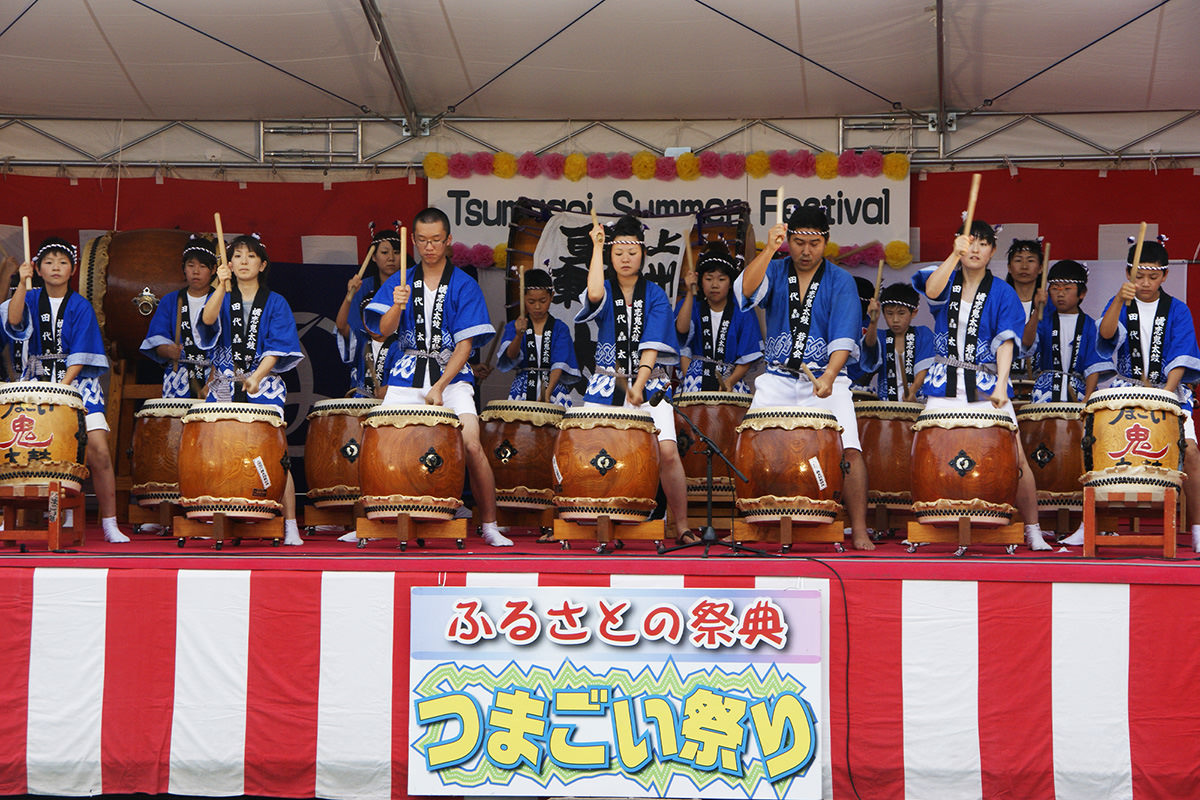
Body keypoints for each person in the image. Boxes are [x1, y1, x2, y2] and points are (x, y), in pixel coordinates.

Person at [363, 207, 512, 547]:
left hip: (452, 376)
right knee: (380, 443)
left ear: (448, 241)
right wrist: (396, 307)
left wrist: (441, 386)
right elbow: (380, 333)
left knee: (472, 442)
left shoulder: (464, 284)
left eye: (435, 240)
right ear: (413, 241)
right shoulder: (399, 280)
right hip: (406, 373)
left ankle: (489, 523)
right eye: (422, 241)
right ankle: (373, 518)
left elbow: (466, 344)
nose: (429, 247)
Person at [735, 205, 874, 551]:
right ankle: (750, 521)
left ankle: (858, 527)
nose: (805, 251)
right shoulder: (776, 269)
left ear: (825, 242)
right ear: (789, 241)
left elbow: (844, 335)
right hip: (778, 378)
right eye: (797, 243)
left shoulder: (840, 280)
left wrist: (829, 375)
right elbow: (747, 291)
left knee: (850, 450)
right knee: (751, 444)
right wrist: (767, 250)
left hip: (826, 379)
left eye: (813, 244)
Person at [912, 220, 1051, 551]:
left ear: (991, 251)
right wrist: (952, 255)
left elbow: (1006, 342)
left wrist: (1002, 385)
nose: (975, 249)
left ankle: (1032, 528)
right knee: (927, 450)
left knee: (1014, 456)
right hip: (944, 381)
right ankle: (926, 522)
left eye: (982, 244)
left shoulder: (1003, 292)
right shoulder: (947, 278)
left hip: (985, 382)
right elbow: (931, 291)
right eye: (969, 242)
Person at [578, 214, 694, 545]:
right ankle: (605, 521)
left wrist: (640, 386)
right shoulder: (607, 287)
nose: (625, 259)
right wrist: (597, 248)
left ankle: (681, 524)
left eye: (631, 252)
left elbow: (653, 345)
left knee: (668, 452)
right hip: (607, 384)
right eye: (617, 253)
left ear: (642, 253)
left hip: (651, 384)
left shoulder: (655, 294)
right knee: (601, 451)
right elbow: (595, 293)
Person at [5, 237, 125, 542]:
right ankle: (19, 515)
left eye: (62, 262)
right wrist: (21, 283)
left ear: (72, 269)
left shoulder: (80, 305)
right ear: (39, 269)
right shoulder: (30, 298)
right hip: (36, 383)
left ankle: (110, 522)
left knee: (98, 449)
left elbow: (82, 354)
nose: (55, 268)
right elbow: (14, 320)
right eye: (49, 262)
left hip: (77, 385)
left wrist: (63, 390)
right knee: (24, 451)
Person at [1095, 237, 1200, 550]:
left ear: (1165, 276)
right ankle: (1095, 523)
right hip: (1126, 391)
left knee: (1191, 453)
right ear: (1128, 273)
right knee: (1097, 447)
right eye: (1139, 276)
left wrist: (1165, 396)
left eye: (1153, 277)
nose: (1145, 283)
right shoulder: (1121, 302)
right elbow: (1105, 335)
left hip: (1170, 393)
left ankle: (1197, 528)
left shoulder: (1177, 310)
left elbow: (1182, 354)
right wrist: (1118, 301)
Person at [201, 234, 305, 546]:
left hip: (264, 382)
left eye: (250, 256)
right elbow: (206, 320)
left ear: (262, 264)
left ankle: (289, 525)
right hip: (223, 383)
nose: (244, 262)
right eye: (238, 257)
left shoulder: (276, 302)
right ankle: (222, 515)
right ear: (228, 264)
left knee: (274, 453)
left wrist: (257, 376)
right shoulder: (222, 296)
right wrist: (220, 286)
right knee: (218, 450)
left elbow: (277, 348)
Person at [674, 240, 762, 394]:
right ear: (700, 281)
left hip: (731, 378)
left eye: (721, 279)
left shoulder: (742, 309)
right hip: (694, 377)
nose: (714, 285)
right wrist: (689, 292)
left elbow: (748, 355)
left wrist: (730, 381)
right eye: (708, 279)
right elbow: (681, 335)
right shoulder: (692, 304)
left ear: (730, 283)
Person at [138, 235, 217, 398]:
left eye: (202, 266)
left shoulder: (222, 300)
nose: (196, 271)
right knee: (175, 420)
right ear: (183, 268)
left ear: (214, 270)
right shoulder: (170, 300)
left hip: (214, 375)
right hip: (179, 374)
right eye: (191, 265)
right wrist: (168, 350)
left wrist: (210, 384)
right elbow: (157, 340)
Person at [336, 223, 404, 398]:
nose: (391, 258)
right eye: (384, 252)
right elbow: (345, 327)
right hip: (368, 354)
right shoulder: (363, 288)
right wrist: (349, 295)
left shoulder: (410, 287)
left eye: (397, 252)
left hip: (398, 356)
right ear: (373, 257)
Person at [497, 268, 579, 406]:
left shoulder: (560, 328)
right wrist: (518, 335)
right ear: (522, 298)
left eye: (542, 300)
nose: (537, 306)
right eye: (531, 301)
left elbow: (559, 363)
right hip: (524, 386)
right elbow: (510, 356)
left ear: (551, 296)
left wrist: (547, 393)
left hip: (553, 387)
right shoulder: (514, 326)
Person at [1028, 260, 1106, 404]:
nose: (1060, 294)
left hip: (1079, 391)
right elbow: (1026, 343)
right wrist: (1037, 310)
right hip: (1046, 391)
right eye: (1055, 288)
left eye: (1067, 289)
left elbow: (1093, 366)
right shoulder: (1044, 321)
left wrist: (1088, 398)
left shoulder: (1089, 326)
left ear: (1082, 293)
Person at [860, 282, 934, 402]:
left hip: (916, 400)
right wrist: (873, 321)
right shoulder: (881, 336)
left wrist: (913, 390)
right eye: (889, 314)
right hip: (887, 402)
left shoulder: (923, 334)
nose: (895, 319)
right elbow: (869, 345)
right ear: (883, 313)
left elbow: (924, 368)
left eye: (901, 313)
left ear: (913, 313)